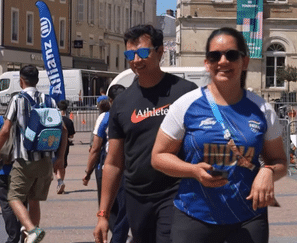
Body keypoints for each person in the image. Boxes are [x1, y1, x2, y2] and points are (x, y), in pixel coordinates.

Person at [151, 27, 287, 243]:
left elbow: (280, 161)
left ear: (244, 61)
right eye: (215, 56)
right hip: (194, 215)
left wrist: (268, 171)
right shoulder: (186, 105)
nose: (223, 61)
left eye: (231, 55)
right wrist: (193, 170)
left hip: (248, 217)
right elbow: (158, 157)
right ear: (207, 63)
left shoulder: (262, 109)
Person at [93, 24, 198, 243]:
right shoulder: (121, 103)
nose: (136, 60)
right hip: (136, 197)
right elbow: (113, 162)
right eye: (130, 54)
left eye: (142, 52)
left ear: (160, 52)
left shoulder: (185, 92)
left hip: (176, 193)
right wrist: (103, 215)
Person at [0, 65, 68, 243]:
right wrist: (61, 157)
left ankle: (32, 230)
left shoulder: (17, 100)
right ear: (38, 80)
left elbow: (5, 130)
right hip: (45, 160)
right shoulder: (49, 100)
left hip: (24, 160)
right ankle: (31, 239)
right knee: (34, 200)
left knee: (13, 196)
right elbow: (63, 130)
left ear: (21, 80)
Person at [84, 84, 130, 243]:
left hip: (105, 169)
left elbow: (95, 148)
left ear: (110, 100)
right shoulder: (132, 114)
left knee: (107, 208)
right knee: (123, 209)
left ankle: (117, 238)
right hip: (127, 169)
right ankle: (120, 237)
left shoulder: (104, 117)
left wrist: (88, 172)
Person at [0, 116, 21, 243]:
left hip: (3, 169)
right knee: (22, 203)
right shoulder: (26, 119)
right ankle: (23, 234)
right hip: (21, 169)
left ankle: (13, 236)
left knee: (6, 204)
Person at [55, 100, 76, 194]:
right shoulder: (68, 121)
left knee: (54, 164)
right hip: (65, 144)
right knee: (63, 164)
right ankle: (61, 181)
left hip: (54, 143)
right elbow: (71, 135)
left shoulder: (54, 119)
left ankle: (59, 180)